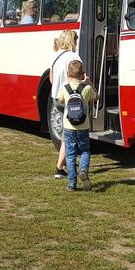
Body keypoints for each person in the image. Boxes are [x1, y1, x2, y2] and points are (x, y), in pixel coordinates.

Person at [57, 60, 99, 191]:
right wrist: (88, 82)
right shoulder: (86, 89)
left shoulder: (65, 88)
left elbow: (60, 101)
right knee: (85, 151)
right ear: (82, 74)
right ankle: (83, 170)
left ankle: (71, 184)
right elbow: (97, 96)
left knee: (70, 155)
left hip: (69, 127)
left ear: (69, 74)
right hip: (83, 127)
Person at [49, 30, 81, 179]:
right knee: (69, 135)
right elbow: (80, 77)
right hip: (68, 98)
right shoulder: (73, 56)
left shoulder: (55, 56)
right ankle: (60, 167)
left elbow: (51, 79)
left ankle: (66, 164)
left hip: (56, 98)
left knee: (65, 133)